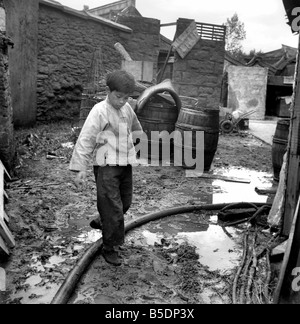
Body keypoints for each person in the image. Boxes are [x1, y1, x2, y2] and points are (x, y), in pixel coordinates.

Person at [69, 70, 143, 266]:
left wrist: (139, 144)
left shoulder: (127, 109)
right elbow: (86, 138)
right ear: (109, 92)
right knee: (113, 208)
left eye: (126, 97)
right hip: (106, 166)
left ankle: (104, 220)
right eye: (118, 96)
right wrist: (80, 168)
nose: (122, 101)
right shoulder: (99, 111)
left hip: (125, 164)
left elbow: (136, 127)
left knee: (125, 202)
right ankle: (109, 247)